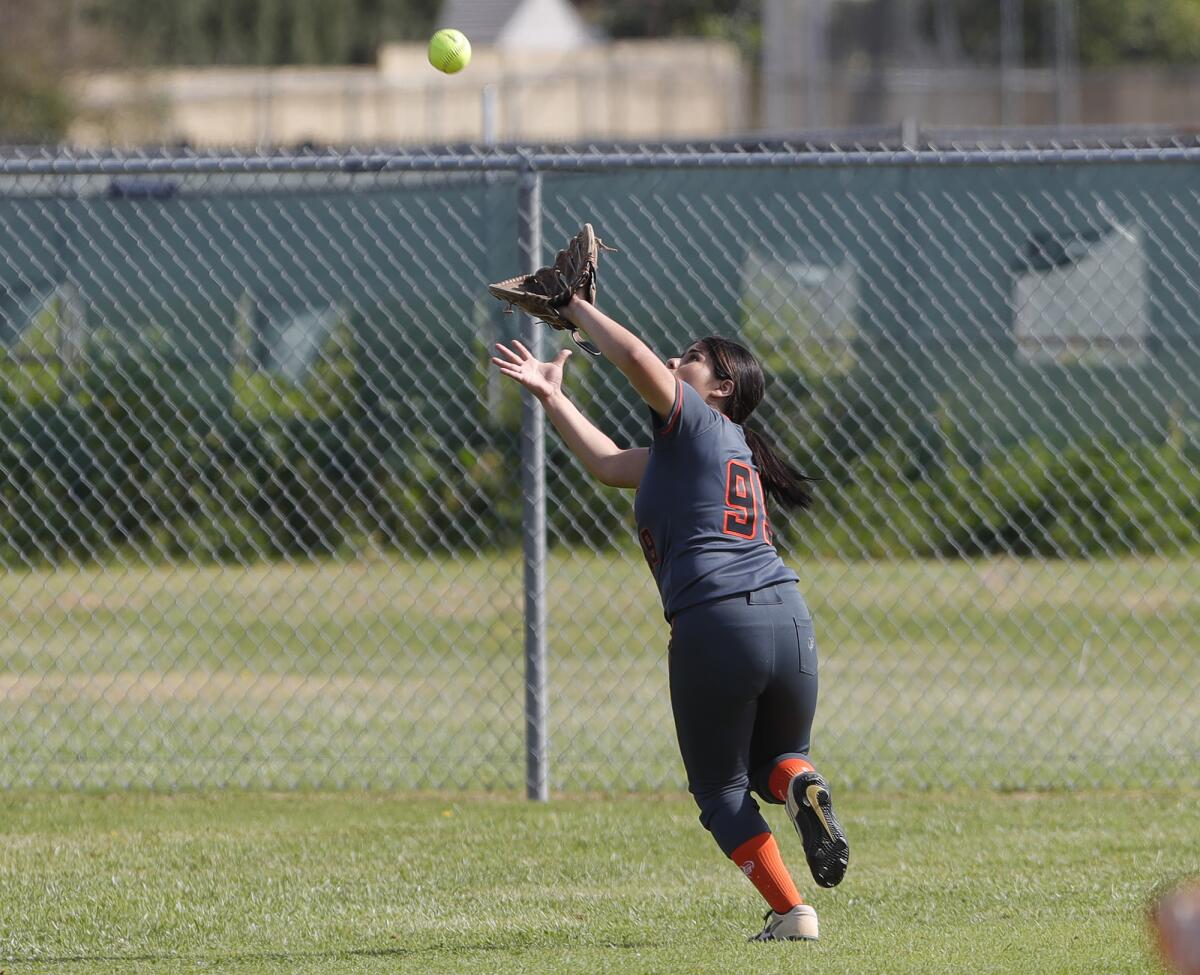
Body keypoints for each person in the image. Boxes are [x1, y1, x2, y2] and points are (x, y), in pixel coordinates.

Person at [490, 295, 849, 942]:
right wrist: (552, 395)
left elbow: (630, 354)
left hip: (716, 624)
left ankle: (792, 912)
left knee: (720, 789)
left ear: (721, 389)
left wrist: (574, 304)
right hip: (788, 616)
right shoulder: (711, 448)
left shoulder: (694, 426)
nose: (675, 360)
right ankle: (804, 784)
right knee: (780, 757)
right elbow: (605, 464)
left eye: (691, 358)